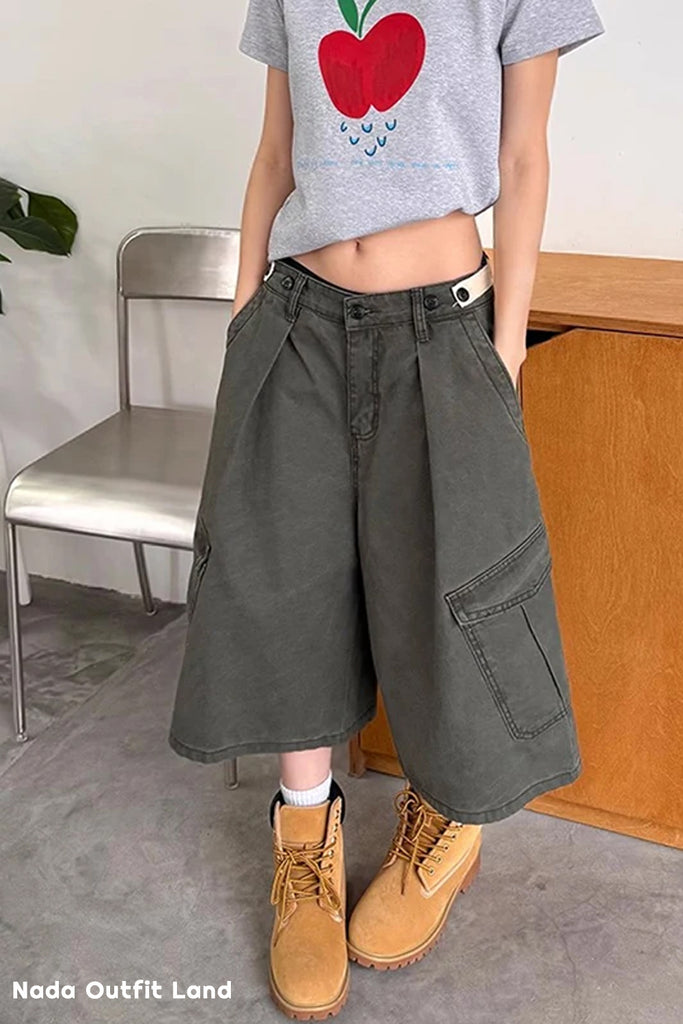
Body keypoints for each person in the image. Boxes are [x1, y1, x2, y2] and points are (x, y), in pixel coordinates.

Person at [168, 0, 606, 1017]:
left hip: (440, 325)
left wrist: (504, 347)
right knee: (284, 574)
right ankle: (303, 835)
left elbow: (524, 158)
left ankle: (447, 818)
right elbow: (275, 152)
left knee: (452, 583)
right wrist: (243, 309)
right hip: (297, 317)